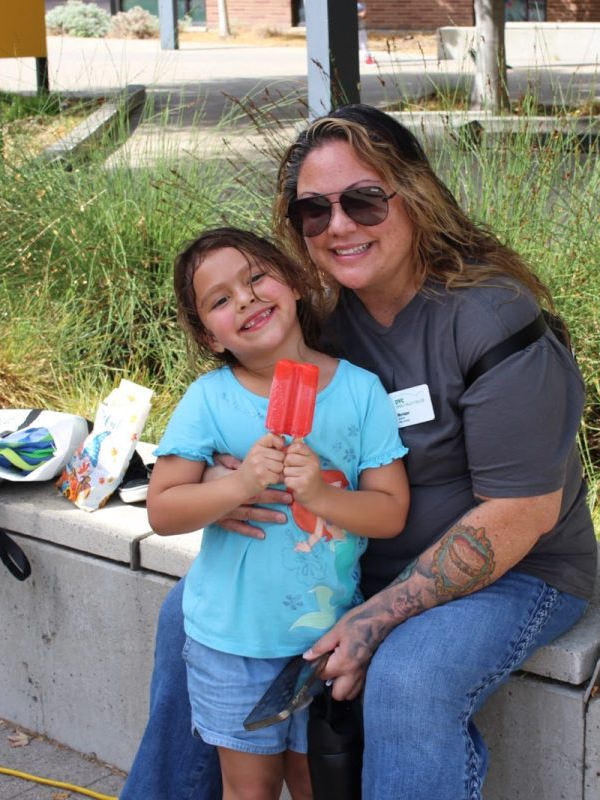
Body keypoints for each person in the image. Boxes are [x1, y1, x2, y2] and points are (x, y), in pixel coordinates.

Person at [122, 105, 598, 800]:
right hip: (354, 548)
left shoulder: (495, 321)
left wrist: (376, 618)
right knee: (186, 614)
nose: (339, 225)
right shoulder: (324, 322)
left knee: (409, 673)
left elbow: (521, 513)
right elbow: (249, 419)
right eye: (314, 212)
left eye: (364, 199)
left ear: (414, 195)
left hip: (517, 569)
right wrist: (229, 486)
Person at [146, 227, 410, 800]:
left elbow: (390, 513)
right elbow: (163, 510)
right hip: (230, 639)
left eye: (255, 278)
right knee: (249, 791)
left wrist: (320, 495)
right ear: (208, 335)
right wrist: (238, 483)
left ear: (293, 282)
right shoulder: (209, 400)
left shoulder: (362, 393)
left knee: (319, 784)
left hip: (324, 638)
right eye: (219, 300)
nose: (243, 299)